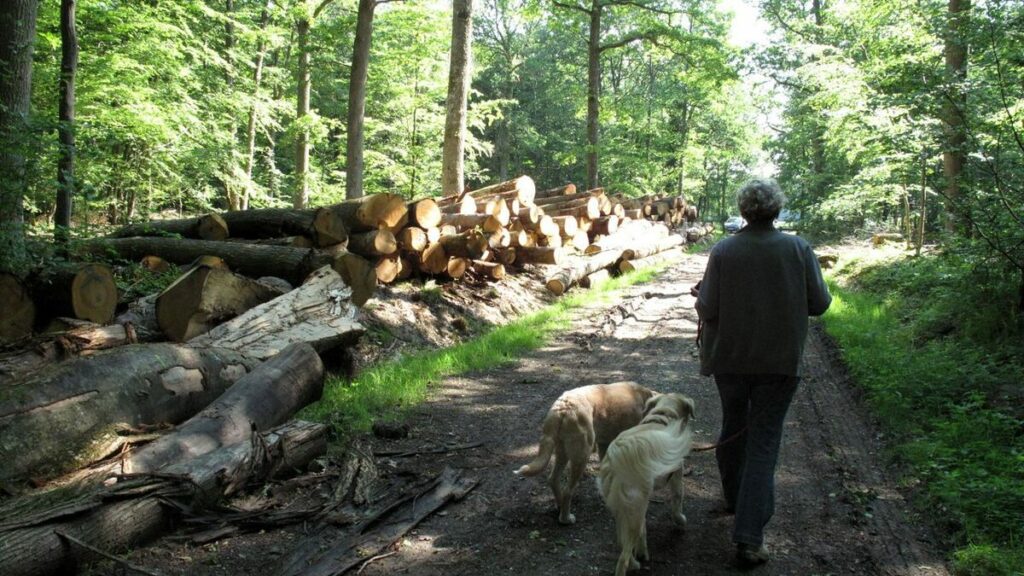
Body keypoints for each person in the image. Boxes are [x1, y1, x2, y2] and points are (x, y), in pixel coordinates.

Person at [694, 178, 832, 568]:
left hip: (730, 361)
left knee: (733, 426)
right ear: (777, 209)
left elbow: (706, 310)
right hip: (779, 364)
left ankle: (736, 500)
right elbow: (820, 304)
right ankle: (750, 537)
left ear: (743, 211)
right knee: (764, 443)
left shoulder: (723, 250)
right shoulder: (798, 248)